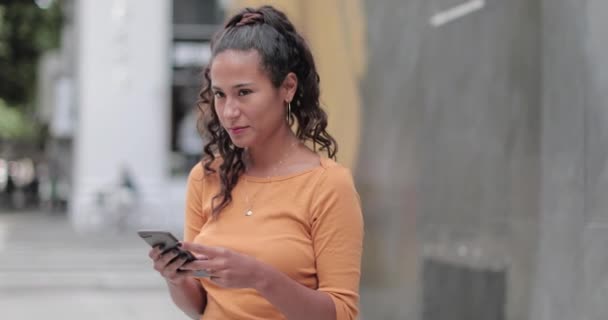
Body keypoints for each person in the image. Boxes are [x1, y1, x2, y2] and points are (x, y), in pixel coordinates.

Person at [147, 5, 364, 320]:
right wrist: (176, 277)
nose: (229, 111)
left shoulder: (329, 185)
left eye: (244, 92)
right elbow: (199, 307)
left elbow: (340, 314)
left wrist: (259, 277)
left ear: (287, 87)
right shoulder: (206, 176)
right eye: (220, 95)